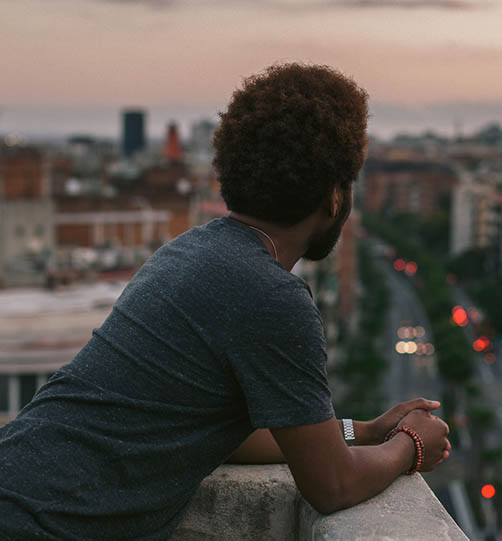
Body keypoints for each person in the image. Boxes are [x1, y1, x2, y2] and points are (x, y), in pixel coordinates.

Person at [0, 63, 451, 540]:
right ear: (335, 198)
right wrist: (411, 445)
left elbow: (215, 438)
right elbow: (332, 485)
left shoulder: (186, 251)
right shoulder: (274, 298)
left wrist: (364, 431)